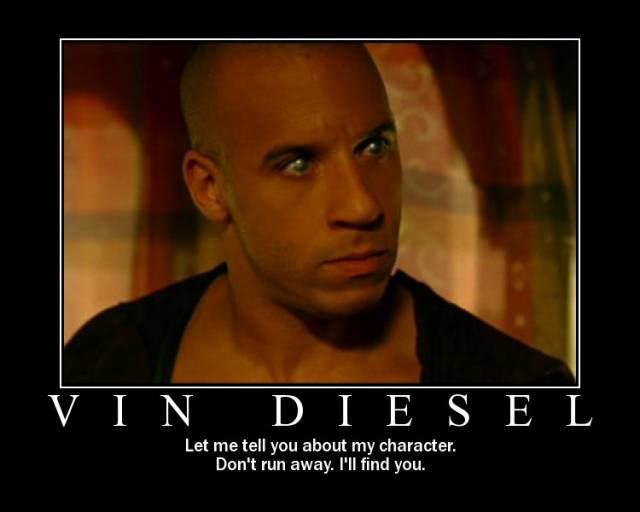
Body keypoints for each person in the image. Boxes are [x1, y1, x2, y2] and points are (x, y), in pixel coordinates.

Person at [64, 42, 574, 385]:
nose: (363, 205)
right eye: (299, 163)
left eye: (374, 147)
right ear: (210, 188)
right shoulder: (107, 361)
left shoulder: (515, 387)